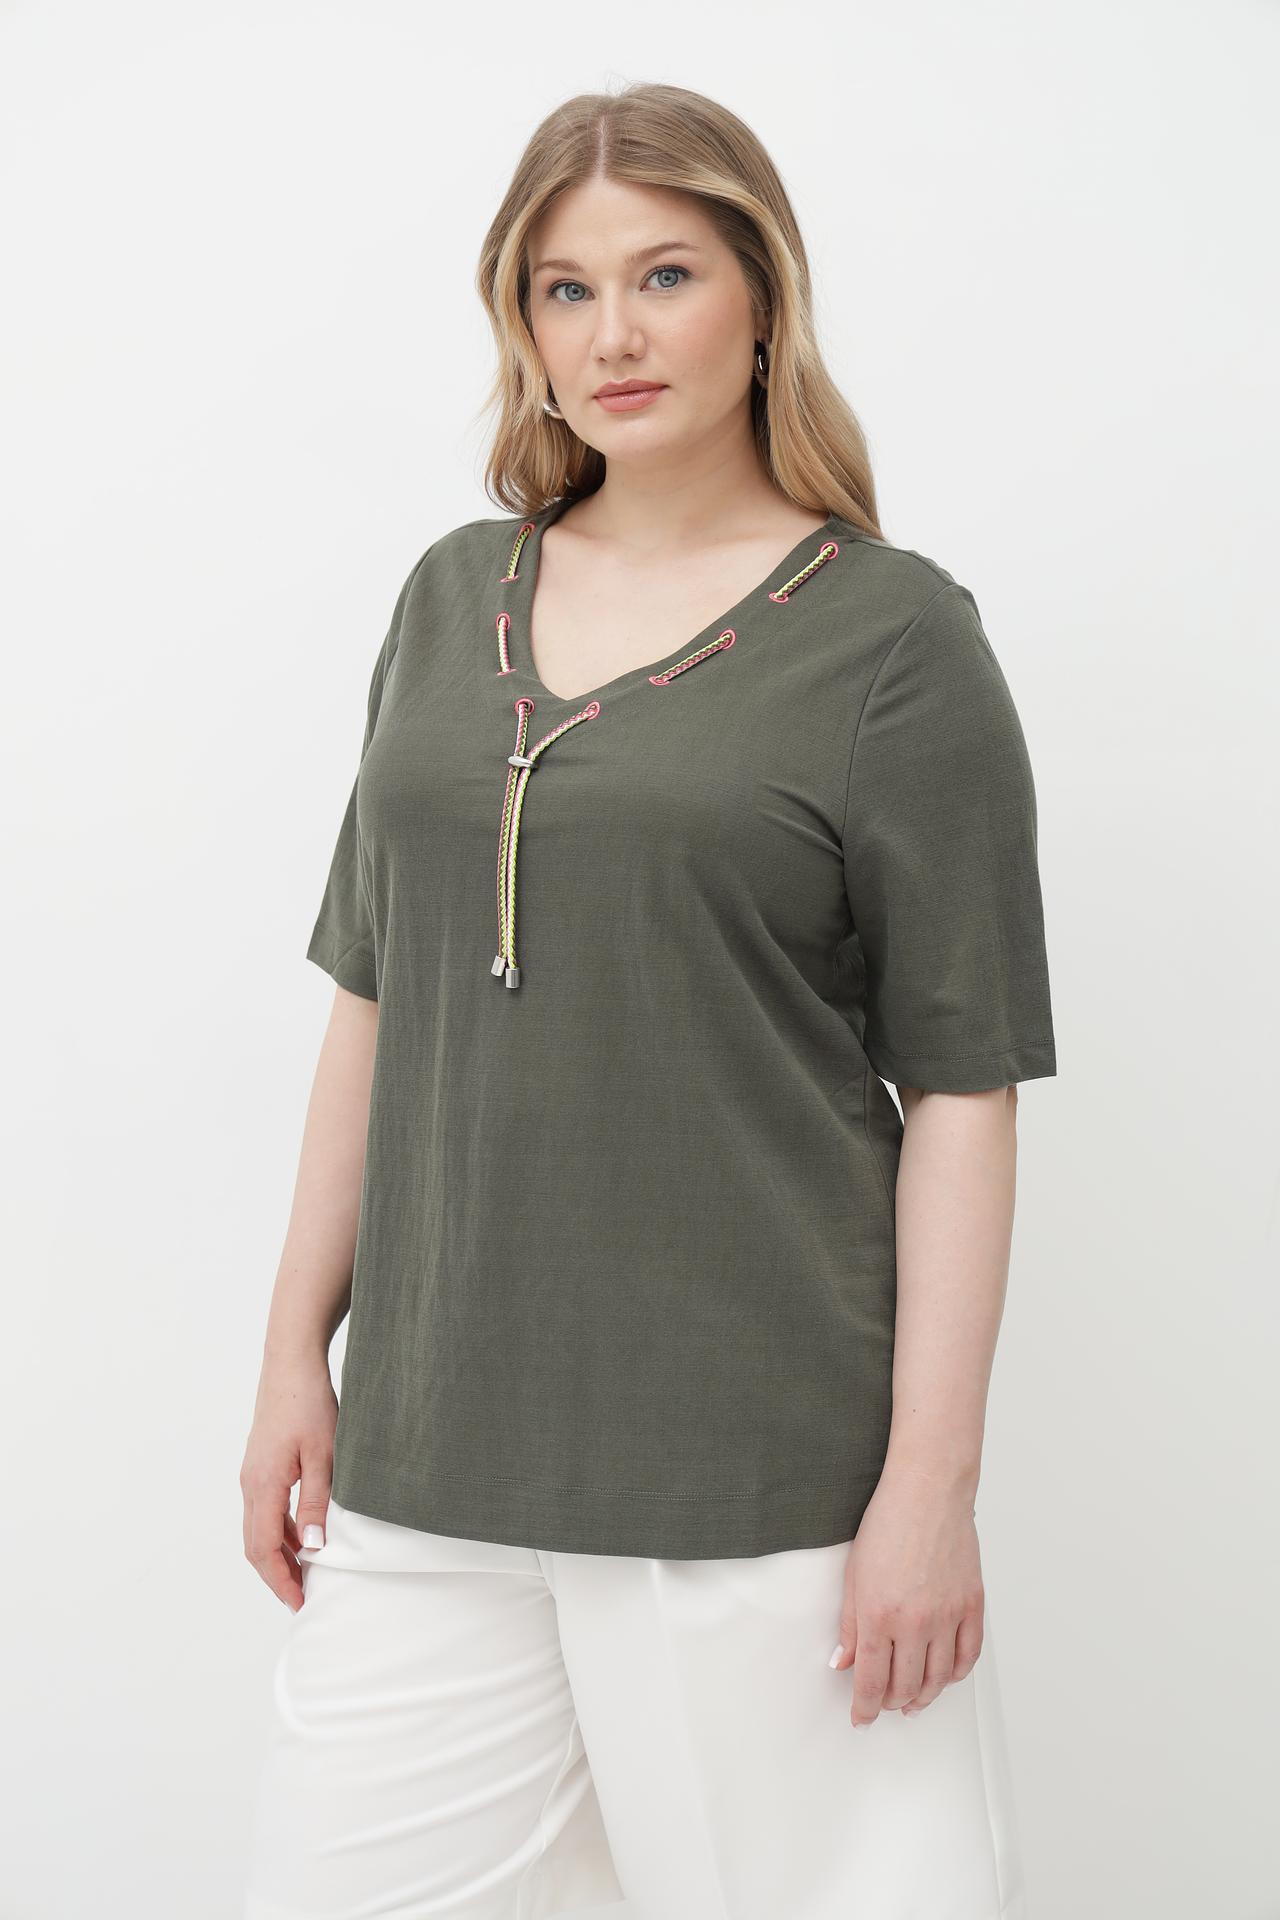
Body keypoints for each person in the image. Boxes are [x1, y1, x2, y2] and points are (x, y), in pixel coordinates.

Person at [241, 80, 1056, 1920]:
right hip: (432, 1462)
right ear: (522, 326)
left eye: (665, 275)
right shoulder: (450, 600)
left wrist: (929, 1490)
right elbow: (372, 997)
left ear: (762, 297)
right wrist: (297, 1347)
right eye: (565, 288)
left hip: (755, 1485)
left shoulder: (895, 642)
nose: (612, 333)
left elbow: (967, 1089)